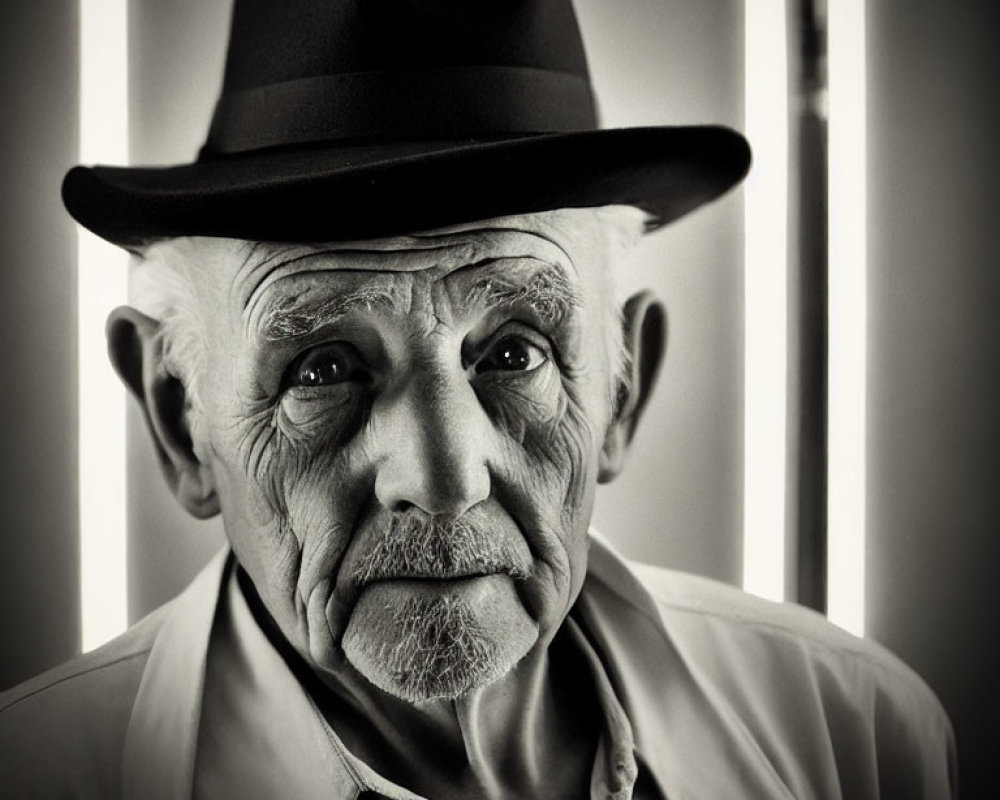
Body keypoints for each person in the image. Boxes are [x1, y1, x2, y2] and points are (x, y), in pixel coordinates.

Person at [0, 1, 955, 798]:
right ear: (178, 418)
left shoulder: (853, 738)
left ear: (621, 389)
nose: (445, 480)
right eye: (324, 369)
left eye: (512, 351)